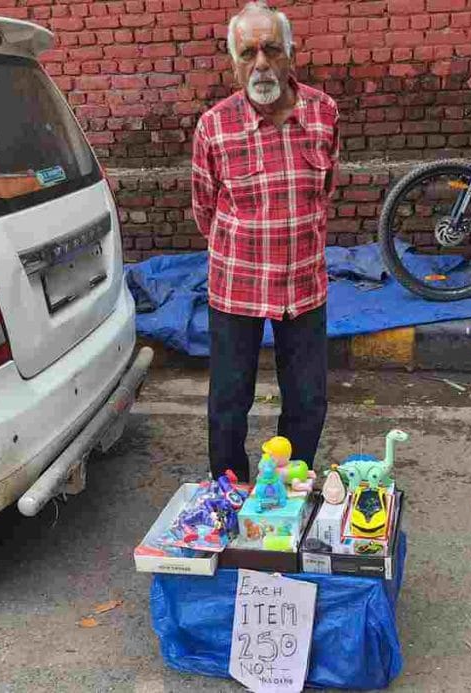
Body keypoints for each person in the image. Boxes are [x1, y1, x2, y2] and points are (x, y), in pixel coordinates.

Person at [191, 1, 340, 481]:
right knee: (229, 402)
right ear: (233, 62)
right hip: (238, 286)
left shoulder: (324, 113)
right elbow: (204, 209)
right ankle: (231, 492)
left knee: (308, 398)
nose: (260, 64)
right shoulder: (213, 126)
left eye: (271, 49)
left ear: (290, 54)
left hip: (304, 285)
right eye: (247, 52)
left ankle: (289, 489)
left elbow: (326, 189)